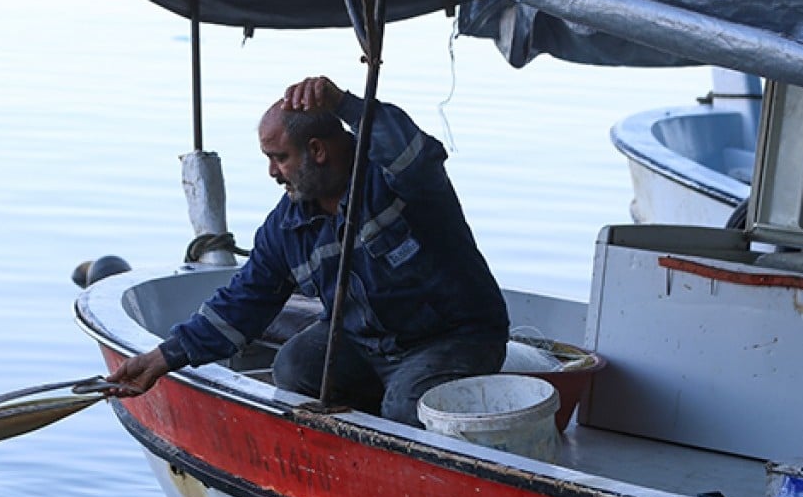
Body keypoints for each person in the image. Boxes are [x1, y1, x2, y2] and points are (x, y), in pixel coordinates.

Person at [106, 76, 509, 426]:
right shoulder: (286, 228)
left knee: (406, 406)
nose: (271, 173)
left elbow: (418, 155)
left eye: (279, 158)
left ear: (317, 150)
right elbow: (242, 304)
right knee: (296, 365)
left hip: (455, 338)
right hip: (368, 344)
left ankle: (400, 428)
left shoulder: (395, 179)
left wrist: (346, 105)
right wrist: (163, 358)